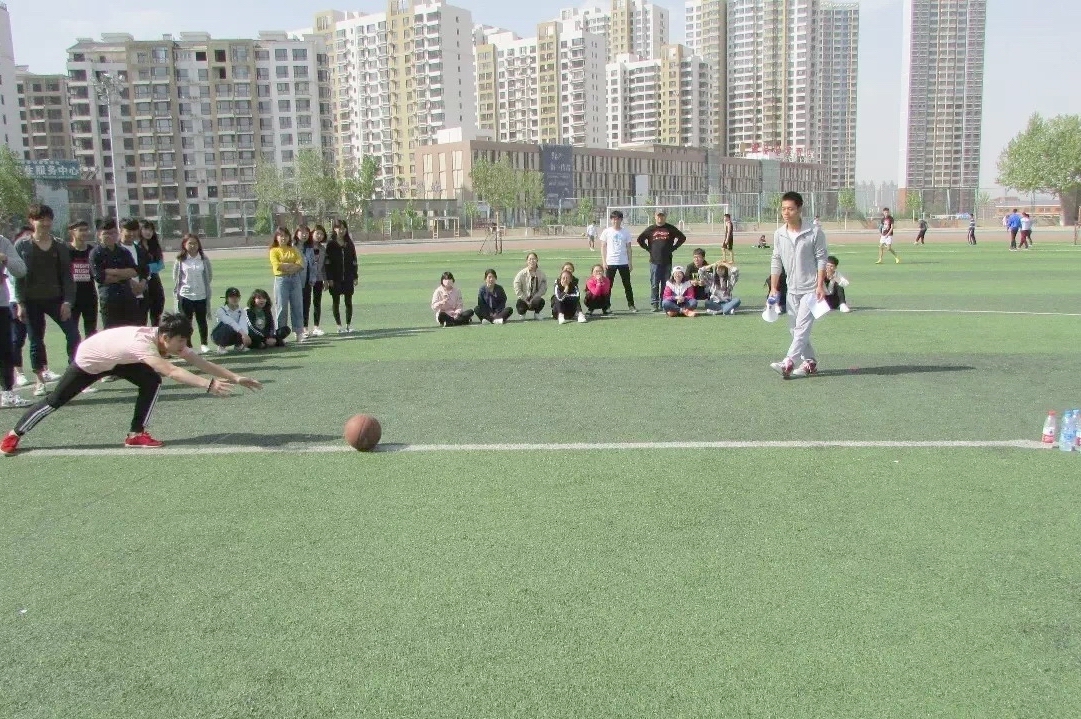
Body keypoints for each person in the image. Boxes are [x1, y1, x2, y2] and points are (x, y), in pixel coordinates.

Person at [0, 313, 263, 456]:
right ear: (166, 337)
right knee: (55, 401)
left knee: (151, 381)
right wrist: (208, 385)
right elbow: (172, 370)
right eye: (180, 342)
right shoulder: (144, 346)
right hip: (89, 361)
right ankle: (14, 434)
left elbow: (199, 361)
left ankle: (136, 434)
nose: (183, 347)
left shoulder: (166, 339)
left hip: (118, 360)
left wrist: (235, 377)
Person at [12, 204, 81, 398]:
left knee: (73, 334)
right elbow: (18, 277)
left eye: (48, 219)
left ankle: (73, 375)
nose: (45, 223)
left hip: (56, 299)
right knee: (36, 340)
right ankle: (40, 380)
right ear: (31, 221)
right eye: (40, 219)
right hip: (31, 301)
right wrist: (20, 303)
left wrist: (67, 302)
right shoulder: (22, 245)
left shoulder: (59, 245)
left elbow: (67, 276)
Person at [768, 191, 828, 378]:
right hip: (791, 289)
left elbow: (821, 259)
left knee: (801, 327)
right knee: (794, 329)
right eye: (783, 209)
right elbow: (776, 260)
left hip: (811, 288)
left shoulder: (814, 232)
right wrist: (773, 287)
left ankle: (788, 362)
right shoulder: (779, 234)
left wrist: (820, 285)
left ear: (799, 209)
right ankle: (810, 362)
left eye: (790, 209)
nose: (786, 213)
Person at [89, 218, 140, 329]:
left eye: (113, 233)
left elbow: (134, 271)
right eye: (106, 233)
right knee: (111, 332)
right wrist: (123, 275)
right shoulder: (95, 253)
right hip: (109, 299)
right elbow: (100, 278)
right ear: (99, 234)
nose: (111, 236)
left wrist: (111, 271)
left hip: (127, 297)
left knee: (131, 330)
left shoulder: (123, 251)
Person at [0, 231, 29, 408]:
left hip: (1, 304)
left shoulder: (2, 241)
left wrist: (6, 259)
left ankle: (7, 393)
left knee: (4, 349)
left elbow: (20, 270)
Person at [636, 210, 686, 311]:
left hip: (667, 260)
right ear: (655, 216)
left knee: (666, 284)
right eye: (658, 216)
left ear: (665, 216)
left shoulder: (670, 228)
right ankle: (654, 303)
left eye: (662, 216)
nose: (660, 217)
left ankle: (664, 302)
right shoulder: (651, 229)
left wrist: (674, 247)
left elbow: (682, 238)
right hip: (654, 261)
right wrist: (648, 249)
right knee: (654, 283)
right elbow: (640, 239)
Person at [172, 233, 213, 353]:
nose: (193, 246)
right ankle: (188, 345)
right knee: (187, 322)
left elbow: (209, 275)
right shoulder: (180, 259)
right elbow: (176, 276)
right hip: (185, 295)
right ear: (184, 245)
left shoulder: (203, 259)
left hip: (201, 294)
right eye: (190, 243)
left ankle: (204, 344)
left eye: (195, 243)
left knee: (202, 320)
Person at [269, 226, 306, 344]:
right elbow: (277, 266)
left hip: (295, 279)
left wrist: (288, 267)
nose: (283, 238)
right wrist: (291, 265)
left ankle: (299, 333)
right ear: (276, 237)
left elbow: (300, 264)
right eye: (281, 236)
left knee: (297, 306)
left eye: (285, 236)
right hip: (281, 280)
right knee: (281, 308)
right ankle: (281, 335)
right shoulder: (274, 250)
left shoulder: (293, 249)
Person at [325, 219, 358, 334]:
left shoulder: (349, 243)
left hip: (348, 277)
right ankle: (339, 326)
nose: (341, 230)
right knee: (336, 302)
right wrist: (329, 278)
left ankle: (348, 325)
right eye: (339, 228)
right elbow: (327, 263)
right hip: (335, 278)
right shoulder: (331, 244)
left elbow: (354, 260)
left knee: (348, 302)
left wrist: (355, 276)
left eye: (343, 228)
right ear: (334, 229)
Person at [599, 210, 636, 312]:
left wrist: (630, 262)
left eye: (618, 219)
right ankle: (606, 306)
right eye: (614, 219)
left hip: (623, 262)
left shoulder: (625, 232)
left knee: (627, 285)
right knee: (608, 286)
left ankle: (631, 305)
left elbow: (629, 248)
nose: (616, 221)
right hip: (610, 262)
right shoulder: (606, 232)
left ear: (621, 220)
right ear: (611, 220)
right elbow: (603, 247)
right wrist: (604, 261)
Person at [67, 221, 98, 339]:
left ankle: (90, 351)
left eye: (86, 230)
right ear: (72, 232)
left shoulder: (92, 251)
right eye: (81, 230)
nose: (84, 233)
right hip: (72, 297)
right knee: (72, 332)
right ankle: (74, 352)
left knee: (91, 332)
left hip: (89, 296)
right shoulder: (66, 250)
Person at [119, 218, 151, 324]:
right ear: (121, 230)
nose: (132, 234)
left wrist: (143, 283)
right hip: (122, 297)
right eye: (128, 230)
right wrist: (131, 283)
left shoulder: (141, 250)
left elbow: (146, 270)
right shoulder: (115, 250)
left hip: (141, 297)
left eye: (135, 230)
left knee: (140, 328)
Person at [301, 224, 327, 337]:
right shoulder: (306, 247)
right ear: (312, 234)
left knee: (317, 302)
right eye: (317, 233)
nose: (319, 236)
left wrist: (325, 279)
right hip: (307, 278)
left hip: (319, 278)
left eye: (322, 234)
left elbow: (324, 266)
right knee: (306, 303)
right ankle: (304, 328)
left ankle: (316, 327)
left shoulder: (322, 249)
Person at [138, 220, 166, 326]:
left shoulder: (155, 246)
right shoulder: (136, 246)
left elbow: (160, 265)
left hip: (154, 280)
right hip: (141, 281)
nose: (148, 232)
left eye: (151, 230)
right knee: (142, 314)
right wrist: (147, 268)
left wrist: (147, 267)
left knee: (157, 310)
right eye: (146, 229)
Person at [211, 287, 252, 353]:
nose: (234, 299)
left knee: (242, 329)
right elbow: (230, 322)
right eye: (232, 297)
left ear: (239, 298)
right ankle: (221, 346)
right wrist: (243, 334)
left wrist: (245, 336)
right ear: (227, 299)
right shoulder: (221, 310)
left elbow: (243, 324)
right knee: (227, 327)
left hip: (233, 333)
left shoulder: (242, 311)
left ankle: (238, 345)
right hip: (217, 336)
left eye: (236, 297)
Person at [512, 252, 548, 320]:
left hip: (534, 299)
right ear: (527, 261)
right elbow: (517, 287)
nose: (532, 261)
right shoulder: (521, 274)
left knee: (541, 301)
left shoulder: (541, 274)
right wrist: (525, 299)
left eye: (534, 259)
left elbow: (543, 287)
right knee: (519, 303)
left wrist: (535, 297)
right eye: (530, 259)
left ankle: (537, 314)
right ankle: (522, 314)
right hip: (524, 299)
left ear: (537, 260)